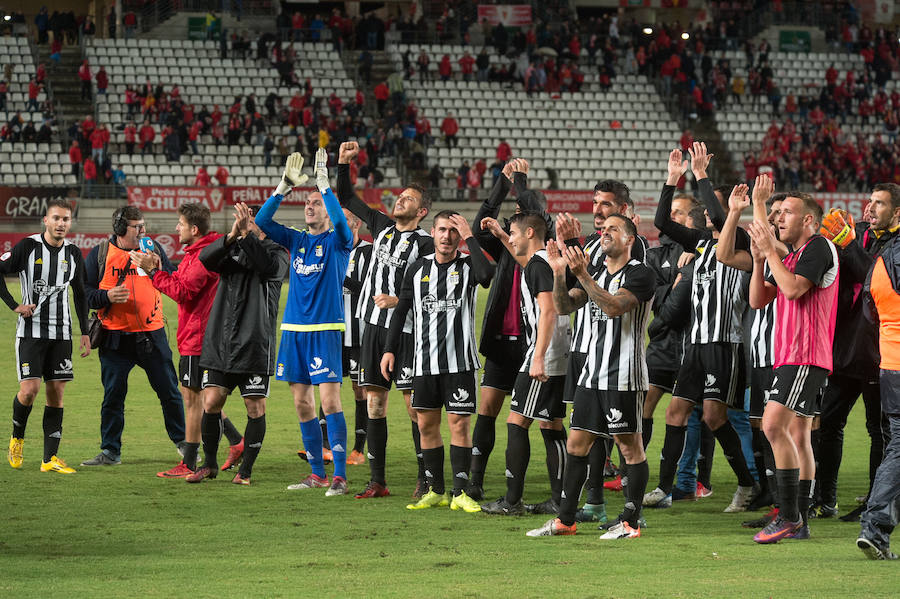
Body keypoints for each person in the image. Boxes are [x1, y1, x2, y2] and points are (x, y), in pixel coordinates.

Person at [643, 144, 760, 511]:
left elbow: (722, 215)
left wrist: (702, 174)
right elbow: (662, 223)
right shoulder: (702, 245)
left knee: (714, 416)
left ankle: (747, 484)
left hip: (725, 344)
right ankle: (664, 489)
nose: (709, 212)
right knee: (674, 413)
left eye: (717, 207)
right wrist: (671, 179)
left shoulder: (740, 241)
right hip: (694, 345)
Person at [527, 213, 655, 538]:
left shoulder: (641, 274)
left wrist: (582, 274)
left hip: (623, 376)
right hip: (591, 375)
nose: (605, 233)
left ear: (630, 240)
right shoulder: (596, 273)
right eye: (602, 229)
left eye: (614, 229)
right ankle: (565, 520)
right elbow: (563, 308)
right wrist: (560, 275)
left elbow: (613, 307)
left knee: (629, 447)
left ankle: (630, 522)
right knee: (577, 442)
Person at [336, 141, 435, 499]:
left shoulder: (425, 244)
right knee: (375, 402)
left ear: (422, 212)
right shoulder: (380, 225)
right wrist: (344, 163)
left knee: (414, 408)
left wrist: (398, 299)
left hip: (406, 330)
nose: (400, 202)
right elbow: (347, 197)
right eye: (400, 197)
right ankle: (377, 481)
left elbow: (433, 285)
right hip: (372, 327)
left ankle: (426, 476)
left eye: (408, 200)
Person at [255, 150, 353, 496]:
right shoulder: (297, 240)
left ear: (327, 209)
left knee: (330, 403)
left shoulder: (339, 243)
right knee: (301, 403)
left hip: (325, 329)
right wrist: (283, 187)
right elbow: (263, 224)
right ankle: (317, 474)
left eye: (316, 202)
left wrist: (326, 187)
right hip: (293, 330)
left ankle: (338, 475)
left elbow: (342, 225)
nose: (310, 206)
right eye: (307, 202)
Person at [381, 210, 494, 512]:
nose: (447, 236)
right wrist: (390, 349)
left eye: (453, 231)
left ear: (459, 236)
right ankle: (436, 490)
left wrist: (470, 236)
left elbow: (487, 277)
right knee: (426, 425)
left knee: (459, 425)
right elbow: (402, 309)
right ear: (432, 232)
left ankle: (460, 492)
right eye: (442, 230)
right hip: (424, 363)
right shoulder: (417, 268)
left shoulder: (469, 266)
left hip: (460, 363)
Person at [747, 192, 839, 543]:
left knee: (772, 426)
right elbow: (758, 300)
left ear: (809, 221)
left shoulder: (818, 247)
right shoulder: (795, 254)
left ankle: (788, 517)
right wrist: (759, 260)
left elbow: (794, 290)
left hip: (805, 354)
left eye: (787, 213)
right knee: (798, 434)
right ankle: (800, 520)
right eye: (778, 212)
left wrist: (770, 251)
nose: (779, 218)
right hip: (790, 355)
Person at [186, 203, 288, 485]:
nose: (246, 224)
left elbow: (266, 268)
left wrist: (247, 237)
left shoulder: (277, 253)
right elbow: (205, 260)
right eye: (244, 220)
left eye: (251, 221)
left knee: (254, 408)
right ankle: (208, 464)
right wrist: (231, 237)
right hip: (221, 343)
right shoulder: (233, 249)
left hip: (255, 345)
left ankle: (246, 471)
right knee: (211, 401)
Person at [466, 159, 550, 501]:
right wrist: (502, 182)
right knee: (487, 411)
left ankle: (540, 490)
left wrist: (520, 179)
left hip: (532, 345)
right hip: (502, 341)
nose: (513, 218)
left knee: (541, 421)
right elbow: (477, 225)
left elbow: (530, 207)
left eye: (521, 213)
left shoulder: (547, 243)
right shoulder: (507, 242)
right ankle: (475, 480)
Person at [817, 184, 899, 522]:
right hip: (848, 346)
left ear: (897, 212)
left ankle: (874, 501)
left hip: (879, 352)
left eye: (879, 203)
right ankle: (825, 498)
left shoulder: (895, 247)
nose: (870, 207)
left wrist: (848, 244)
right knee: (828, 421)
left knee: (878, 430)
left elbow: (873, 275)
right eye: (870, 201)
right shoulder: (862, 234)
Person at [481, 211, 571, 515]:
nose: (513, 238)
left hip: (545, 354)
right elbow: (524, 261)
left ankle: (512, 500)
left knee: (517, 421)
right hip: (560, 353)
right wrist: (501, 236)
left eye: (515, 233)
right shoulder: (540, 261)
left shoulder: (537, 265)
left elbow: (548, 311)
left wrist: (538, 356)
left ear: (530, 233)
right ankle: (560, 499)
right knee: (552, 423)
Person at [81, 207, 186, 466]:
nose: (143, 231)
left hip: (152, 335)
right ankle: (110, 451)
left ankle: (184, 443)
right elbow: (84, 293)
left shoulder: (154, 251)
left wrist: (160, 270)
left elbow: (174, 282)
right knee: (113, 397)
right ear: (119, 228)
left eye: (143, 225)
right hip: (115, 338)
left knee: (170, 393)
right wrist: (106, 297)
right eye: (136, 227)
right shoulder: (100, 254)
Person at [129, 203, 225, 478]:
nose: (176, 228)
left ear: (194, 229)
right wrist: (160, 269)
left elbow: (183, 293)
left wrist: (153, 272)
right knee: (203, 402)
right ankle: (204, 461)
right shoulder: (199, 252)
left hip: (199, 338)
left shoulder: (202, 257)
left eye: (180, 224)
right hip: (198, 336)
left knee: (198, 402)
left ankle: (197, 463)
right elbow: (182, 282)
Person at [3, 199, 89, 473]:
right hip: (30, 331)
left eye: (66, 219)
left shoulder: (74, 254)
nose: (61, 223)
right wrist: (14, 305)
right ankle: (17, 438)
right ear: (46, 220)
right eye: (57, 218)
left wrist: (85, 332)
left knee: (56, 393)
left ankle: (49, 459)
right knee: (30, 391)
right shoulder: (27, 247)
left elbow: (81, 294)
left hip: (62, 332)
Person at [857, 232, 900, 559]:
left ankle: (876, 526)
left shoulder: (884, 256)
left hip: (890, 363)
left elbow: (869, 308)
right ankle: (875, 524)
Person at [341, 208, 373, 465]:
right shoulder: (330, 248)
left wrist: (343, 278)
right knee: (327, 383)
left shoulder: (370, 252)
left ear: (356, 223)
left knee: (359, 389)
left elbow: (372, 291)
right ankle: (326, 445)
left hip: (359, 333)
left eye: (344, 220)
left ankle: (359, 450)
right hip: (332, 330)